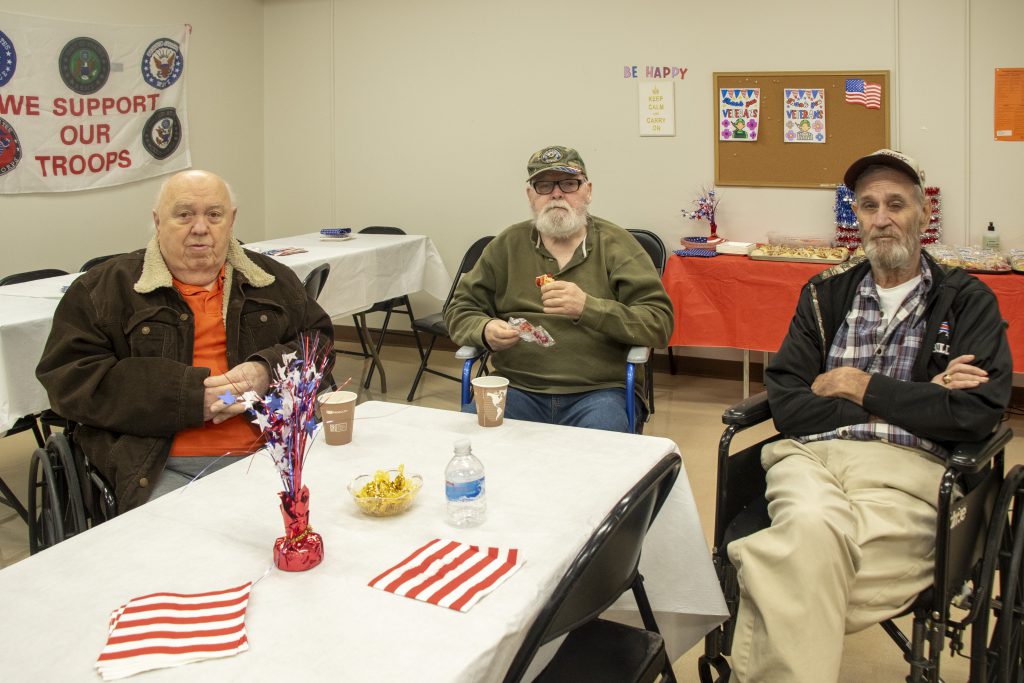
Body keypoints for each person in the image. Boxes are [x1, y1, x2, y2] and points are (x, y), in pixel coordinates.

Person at [726, 149, 1012, 682]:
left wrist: (858, 385)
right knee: (810, 528)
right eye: (868, 206)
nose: (881, 218)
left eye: (896, 204)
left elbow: (974, 413)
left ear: (922, 213)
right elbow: (788, 402)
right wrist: (923, 396)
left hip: (908, 474)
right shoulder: (825, 293)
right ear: (856, 216)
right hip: (809, 460)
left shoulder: (967, 302)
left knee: (788, 558)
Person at [36, 170, 334, 512]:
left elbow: (319, 344)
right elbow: (69, 382)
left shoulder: (272, 279)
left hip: (275, 450)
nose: (200, 228)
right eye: (184, 214)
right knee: (196, 549)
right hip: (159, 466)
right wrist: (185, 397)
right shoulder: (103, 289)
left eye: (214, 214)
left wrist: (267, 371)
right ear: (157, 220)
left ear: (231, 220)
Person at [444, 145, 674, 432]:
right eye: (544, 185)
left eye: (568, 184)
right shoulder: (507, 245)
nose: (556, 194)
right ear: (531, 196)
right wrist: (484, 329)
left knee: (598, 458)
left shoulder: (618, 245)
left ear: (587, 191)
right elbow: (459, 309)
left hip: (599, 392)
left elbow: (659, 323)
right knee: (474, 441)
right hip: (517, 387)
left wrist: (588, 307)